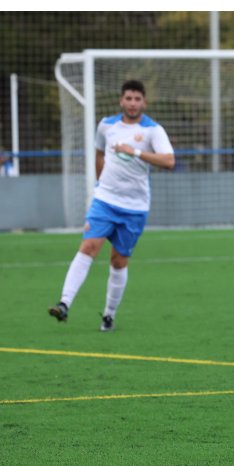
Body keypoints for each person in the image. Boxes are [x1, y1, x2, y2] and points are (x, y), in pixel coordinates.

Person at [48, 80, 175, 331]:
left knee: (118, 261)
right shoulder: (106, 125)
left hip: (135, 207)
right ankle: (64, 304)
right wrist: (101, 183)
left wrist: (135, 152)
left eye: (137, 99)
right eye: (128, 98)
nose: (132, 103)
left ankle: (109, 315)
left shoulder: (153, 130)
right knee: (88, 246)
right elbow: (98, 154)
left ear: (144, 102)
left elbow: (169, 160)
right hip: (105, 200)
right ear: (121, 101)